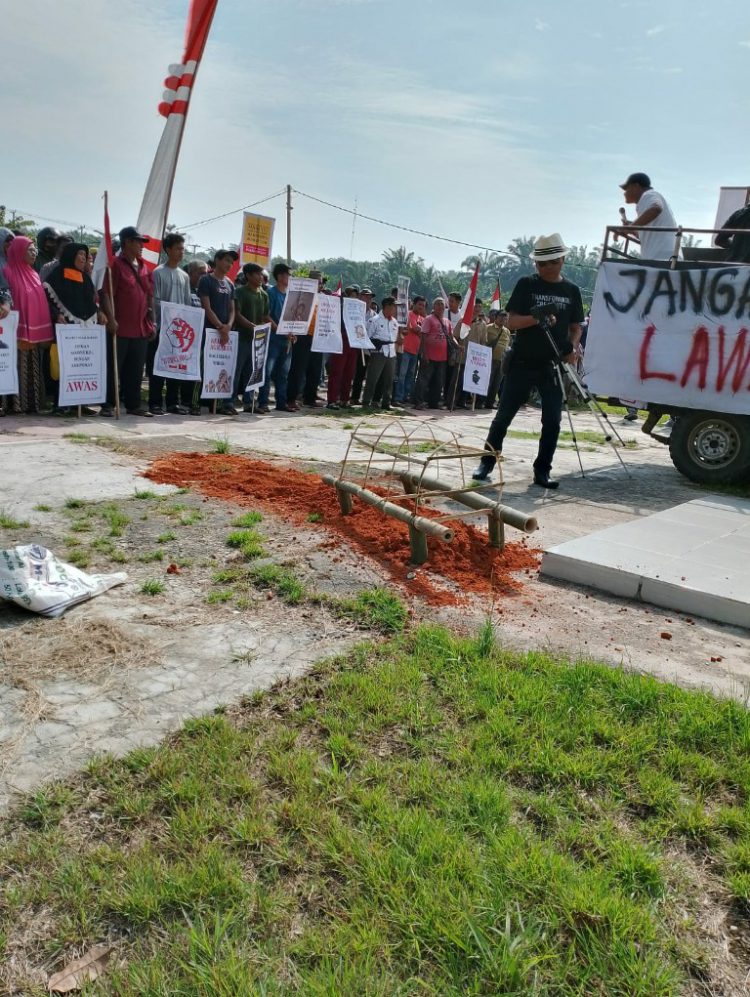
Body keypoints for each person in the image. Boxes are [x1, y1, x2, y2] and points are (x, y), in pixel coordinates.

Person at [472, 233, 584, 489]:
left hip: (552, 366)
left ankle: (542, 470)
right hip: (522, 361)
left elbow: (576, 327)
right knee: (503, 417)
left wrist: (573, 348)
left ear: (562, 260)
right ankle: (487, 462)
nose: (544, 268)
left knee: (553, 421)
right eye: (540, 263)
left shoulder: (572, 291)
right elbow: (511, 322)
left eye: (550, 262)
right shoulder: (527, 284)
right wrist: (537, 317)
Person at [98, 226, 156, 418]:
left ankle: (133, 404)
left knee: (136, 369)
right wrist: (111, 319)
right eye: (138, 242)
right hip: (120, 326)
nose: (142, 246)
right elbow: (105, 293)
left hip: (140, 327)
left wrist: (152, 321)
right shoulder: (115, 264)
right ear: (128, 242)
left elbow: (149, 295)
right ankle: (108, 404)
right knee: (114, 367)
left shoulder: (145, 266)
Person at [44, 243, 102, 415]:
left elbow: (90, 303)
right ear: (70, 255)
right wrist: (56, 314)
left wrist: (100, 313)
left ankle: (80, 403)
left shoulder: (85, 278)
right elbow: (46, 299)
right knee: (63, 367)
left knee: (82, 367)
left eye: (85, 255)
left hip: (83, 331)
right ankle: (60, 404)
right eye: (80, 254)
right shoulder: (57, 275)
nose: (83, 258)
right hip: (65, 329)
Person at [4, 236, 54, 412]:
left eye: (35, 250)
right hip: (13, 334)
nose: (34, 253)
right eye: (29, 250)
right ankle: (12, 405)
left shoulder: (34, 274)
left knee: (32, 368)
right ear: (18, 251)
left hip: (32, 336)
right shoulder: (7, 272)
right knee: (14, 367)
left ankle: (31, 404)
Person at [147, 232, 194, 415]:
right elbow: (155, 300)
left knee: (176, 366)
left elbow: (187, 303)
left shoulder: (184, 276)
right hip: (161, 328)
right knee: (157, 368)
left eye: (183, 249)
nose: (181, 252)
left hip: (178, 331)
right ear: (168, 250)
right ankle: (155, 403)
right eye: (178, 249)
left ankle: (173, 403)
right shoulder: (158, 272)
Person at [197, 249, 237, 414]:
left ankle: (218, 405)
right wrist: (220, 327)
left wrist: (228, 325)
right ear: (217, 260)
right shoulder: (206, 280)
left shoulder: (230, 284)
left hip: (224, 334)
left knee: (222, 368)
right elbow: (206, 307)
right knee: (202, 367)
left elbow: (233, 309)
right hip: (208, 332)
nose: (229, 264)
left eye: (231, 262)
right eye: (227, 260)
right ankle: (195, 404)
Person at [256, 262, 295, 413]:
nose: (290, 278)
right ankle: (263, 402)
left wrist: (293, 332)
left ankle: (281, 402)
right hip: (272, 339)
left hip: (287, 341)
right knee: (267, 371)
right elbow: (266, 316)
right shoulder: (271, 293)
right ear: (280, 276)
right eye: (288, 275)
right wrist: (280, 330)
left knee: (283, 374)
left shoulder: (291, 295)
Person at [234, 262, 270, 411]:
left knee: (252, 372)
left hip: (257, 340)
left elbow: (265, 316)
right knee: (237, 371)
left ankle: (249, 403)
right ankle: (229, 401)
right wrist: (252, 326)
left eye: (262, 274)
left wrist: (266, 328)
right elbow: (237, 314)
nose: (261, 277)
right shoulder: (240, 292)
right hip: (242, 338)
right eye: (257, 274)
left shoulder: (264, 294)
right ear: (248, 275)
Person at [618, 173, 678, 261]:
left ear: (636, 186)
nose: (624, 193)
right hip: (666, 257)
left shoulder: (648, 195)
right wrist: (634, 230)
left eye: (627, 188)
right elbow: (650, 234)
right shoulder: (648, 199)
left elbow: (656, 208)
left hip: (661, 258)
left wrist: (630, 228)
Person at [414, 297, 455, 410]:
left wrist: (458, 346)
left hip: (442, 358)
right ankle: (418, 402)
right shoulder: (429, 319)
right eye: (438, 304)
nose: (440, 306)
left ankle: (434, 403)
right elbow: (423, 336)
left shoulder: (447, 322)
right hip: (429, 356)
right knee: (423, 380)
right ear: (433, 306)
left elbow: (451, 337)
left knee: (438, 382)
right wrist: (424, 353)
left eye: (442, 304)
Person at [362, 295, 399, 409]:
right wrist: (375, 344)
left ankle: (386, 402)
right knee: (373, 377)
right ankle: (366, 401)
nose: (395, 309)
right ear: (387, 306)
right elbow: (368, 336)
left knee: (389, 379)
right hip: (379, 351)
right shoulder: (374, 320)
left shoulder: (394, 322)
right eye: (393, 306)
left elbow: (395, 337)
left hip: (391, 352)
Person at [326, 286, 358, 410]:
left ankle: (344, 400)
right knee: (337, 372)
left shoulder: (357, 310)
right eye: (351, 296)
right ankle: (332, 400)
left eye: (355, 296)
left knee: (349, 373)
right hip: (341, 340)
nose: (353, 298)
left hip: (353, 342)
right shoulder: (338, 309)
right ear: (345, 296)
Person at [394, 295, 425, 404]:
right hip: (405, 349)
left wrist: (419, 332)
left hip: (415, 351)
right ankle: (398, 397)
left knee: (410, 375)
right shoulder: (407, 314)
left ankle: (406, 396)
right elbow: (401, 328)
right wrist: (413, 329)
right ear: (414, 304)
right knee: (402, 374)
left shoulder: (422, 319)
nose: (421, 307)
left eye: (423, 305)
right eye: (419, 304)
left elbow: (423, 335)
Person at [484, 309, 511, 409]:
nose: (503, 319)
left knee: (497, 383)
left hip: (502, 361)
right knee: (487, 382)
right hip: (489, 359)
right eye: (501, 317)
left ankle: (490, 403)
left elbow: (508, 345)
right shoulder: (488, 328)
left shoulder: (507, 331)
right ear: (496, 317)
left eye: (505, 318)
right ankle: (481, 401)